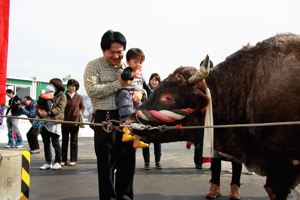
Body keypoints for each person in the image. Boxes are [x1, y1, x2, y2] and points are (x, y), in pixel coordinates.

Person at [84, 30, 144, 200]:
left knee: (127, 163)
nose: (116, 56)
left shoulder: (129, 66)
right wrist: (119, 83)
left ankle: (125, 197)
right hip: (105, 119)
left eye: (120, 52)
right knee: (106, 165)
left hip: (127, 119)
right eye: (112, 52)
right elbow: (93, 90)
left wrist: (141, 94)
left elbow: (143, 87)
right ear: (103, 50)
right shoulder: (93, 66)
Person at [115, 48, 151, 123]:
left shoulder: (141, 75)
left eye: (140, 63)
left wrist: (152, 95)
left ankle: (138, 121)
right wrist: (132, 75)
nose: (138, 64)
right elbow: (123, 76)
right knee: (126, 107)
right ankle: (126, 122)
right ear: (128, 62)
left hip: (137, 95)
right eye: (135, 62)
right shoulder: (127, 70)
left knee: (140, 109)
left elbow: (145, 86)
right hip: (125, 93)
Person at [38, 78, 67, 170]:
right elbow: (38, 104)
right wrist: (39, 112)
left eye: (52, 84)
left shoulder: (62, 96)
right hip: (44, 121)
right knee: (46, 143)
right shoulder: (45, 94)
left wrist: (49, 113)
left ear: (57, 85)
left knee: (55, 142)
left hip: (54, 121)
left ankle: (58, 161)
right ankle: (48, 161)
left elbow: (60, 108)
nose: (50, 86)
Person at [142, 73, 163, 170]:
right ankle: (147, 163)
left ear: (159, 82)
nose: (154, 82)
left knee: (157, 141)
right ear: (149, 80)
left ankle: (157, 162)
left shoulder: (162, 92)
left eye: (156, 80)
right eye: (152, 80)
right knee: (146, 141)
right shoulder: (144, 90)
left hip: (157, 120)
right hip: (146, 119)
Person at [61, 79, 85, 166]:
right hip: (64, 121)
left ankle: (73, 159)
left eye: (74, 86)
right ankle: (63, 159)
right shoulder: (63, 96)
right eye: (70, 86)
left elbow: (82, 107)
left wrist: (80, 112)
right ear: (67, 87)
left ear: (76, 88)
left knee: (74, 142)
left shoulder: (79, 97)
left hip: (75, 122)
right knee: (64, 141)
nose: (72, 88)